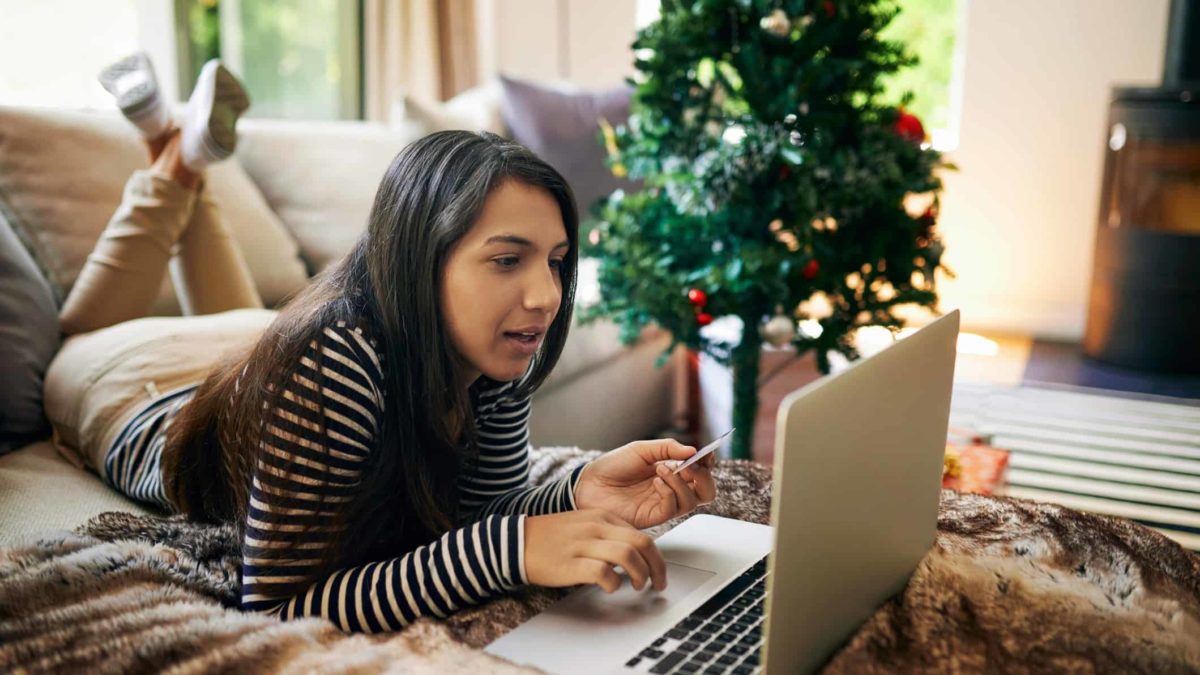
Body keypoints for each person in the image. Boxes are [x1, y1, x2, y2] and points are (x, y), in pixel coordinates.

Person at [41, 53, 718, 633]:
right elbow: (277, 605)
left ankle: (183, 152)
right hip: (137, 389)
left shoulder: (497, 346)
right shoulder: (332, 359)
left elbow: (480, 516)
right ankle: (174, 156)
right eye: (507, 259)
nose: (545, 295)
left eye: (555, 260)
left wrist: (578, 489)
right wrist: (513, 550)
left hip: (246, 360)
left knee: (248, 318)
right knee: (81, 334)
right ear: (423, 258)